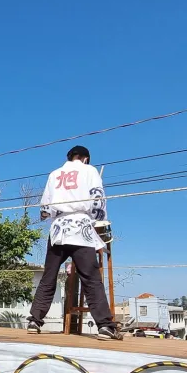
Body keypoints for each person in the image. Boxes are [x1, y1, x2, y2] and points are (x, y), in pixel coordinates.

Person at [27, 145, 122, 340]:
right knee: (91, 278)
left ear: (70, 157)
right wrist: (99, 224)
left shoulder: (54, 174)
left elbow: (45, 207)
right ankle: (104, 325)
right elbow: (97, 198)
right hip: (81, 226)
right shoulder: (90, 171)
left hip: (59, 228)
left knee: (49, 276)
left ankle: (34, 320)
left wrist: (51, 213)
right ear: (85, 158)